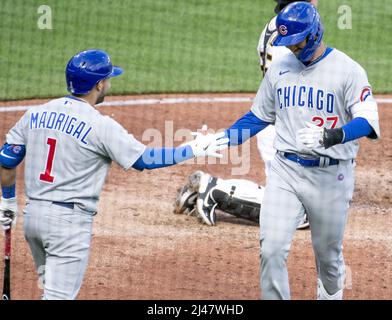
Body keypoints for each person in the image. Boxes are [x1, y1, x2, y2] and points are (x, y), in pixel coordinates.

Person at [0, 49, 228, 299]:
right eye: (107, 79)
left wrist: (8, 200)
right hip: (68, 225)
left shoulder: (36, 113)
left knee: (50, 289)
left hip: (33, 218)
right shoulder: (100, 125)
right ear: (98, 84)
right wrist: (193, 148)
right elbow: (144, 160)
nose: (109, 84)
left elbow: (7, 161)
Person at [206, 2, 380, 300]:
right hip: (286, 172)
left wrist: (332, 135)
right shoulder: (280, 68)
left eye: (296, 41)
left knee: (328, 260)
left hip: (331, 176)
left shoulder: (347, 70)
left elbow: (368, 121)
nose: (292, 48)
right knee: (271, 249)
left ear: (313, 34)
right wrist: (222, 139)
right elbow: (259, 117)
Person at [173, 0, 317, 230]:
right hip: (285, 129)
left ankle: (201, 192)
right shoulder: (290, 42)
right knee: (297, 214)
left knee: (308, 201)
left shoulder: (276, 28)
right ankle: (214, 189)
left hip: (278, 124)